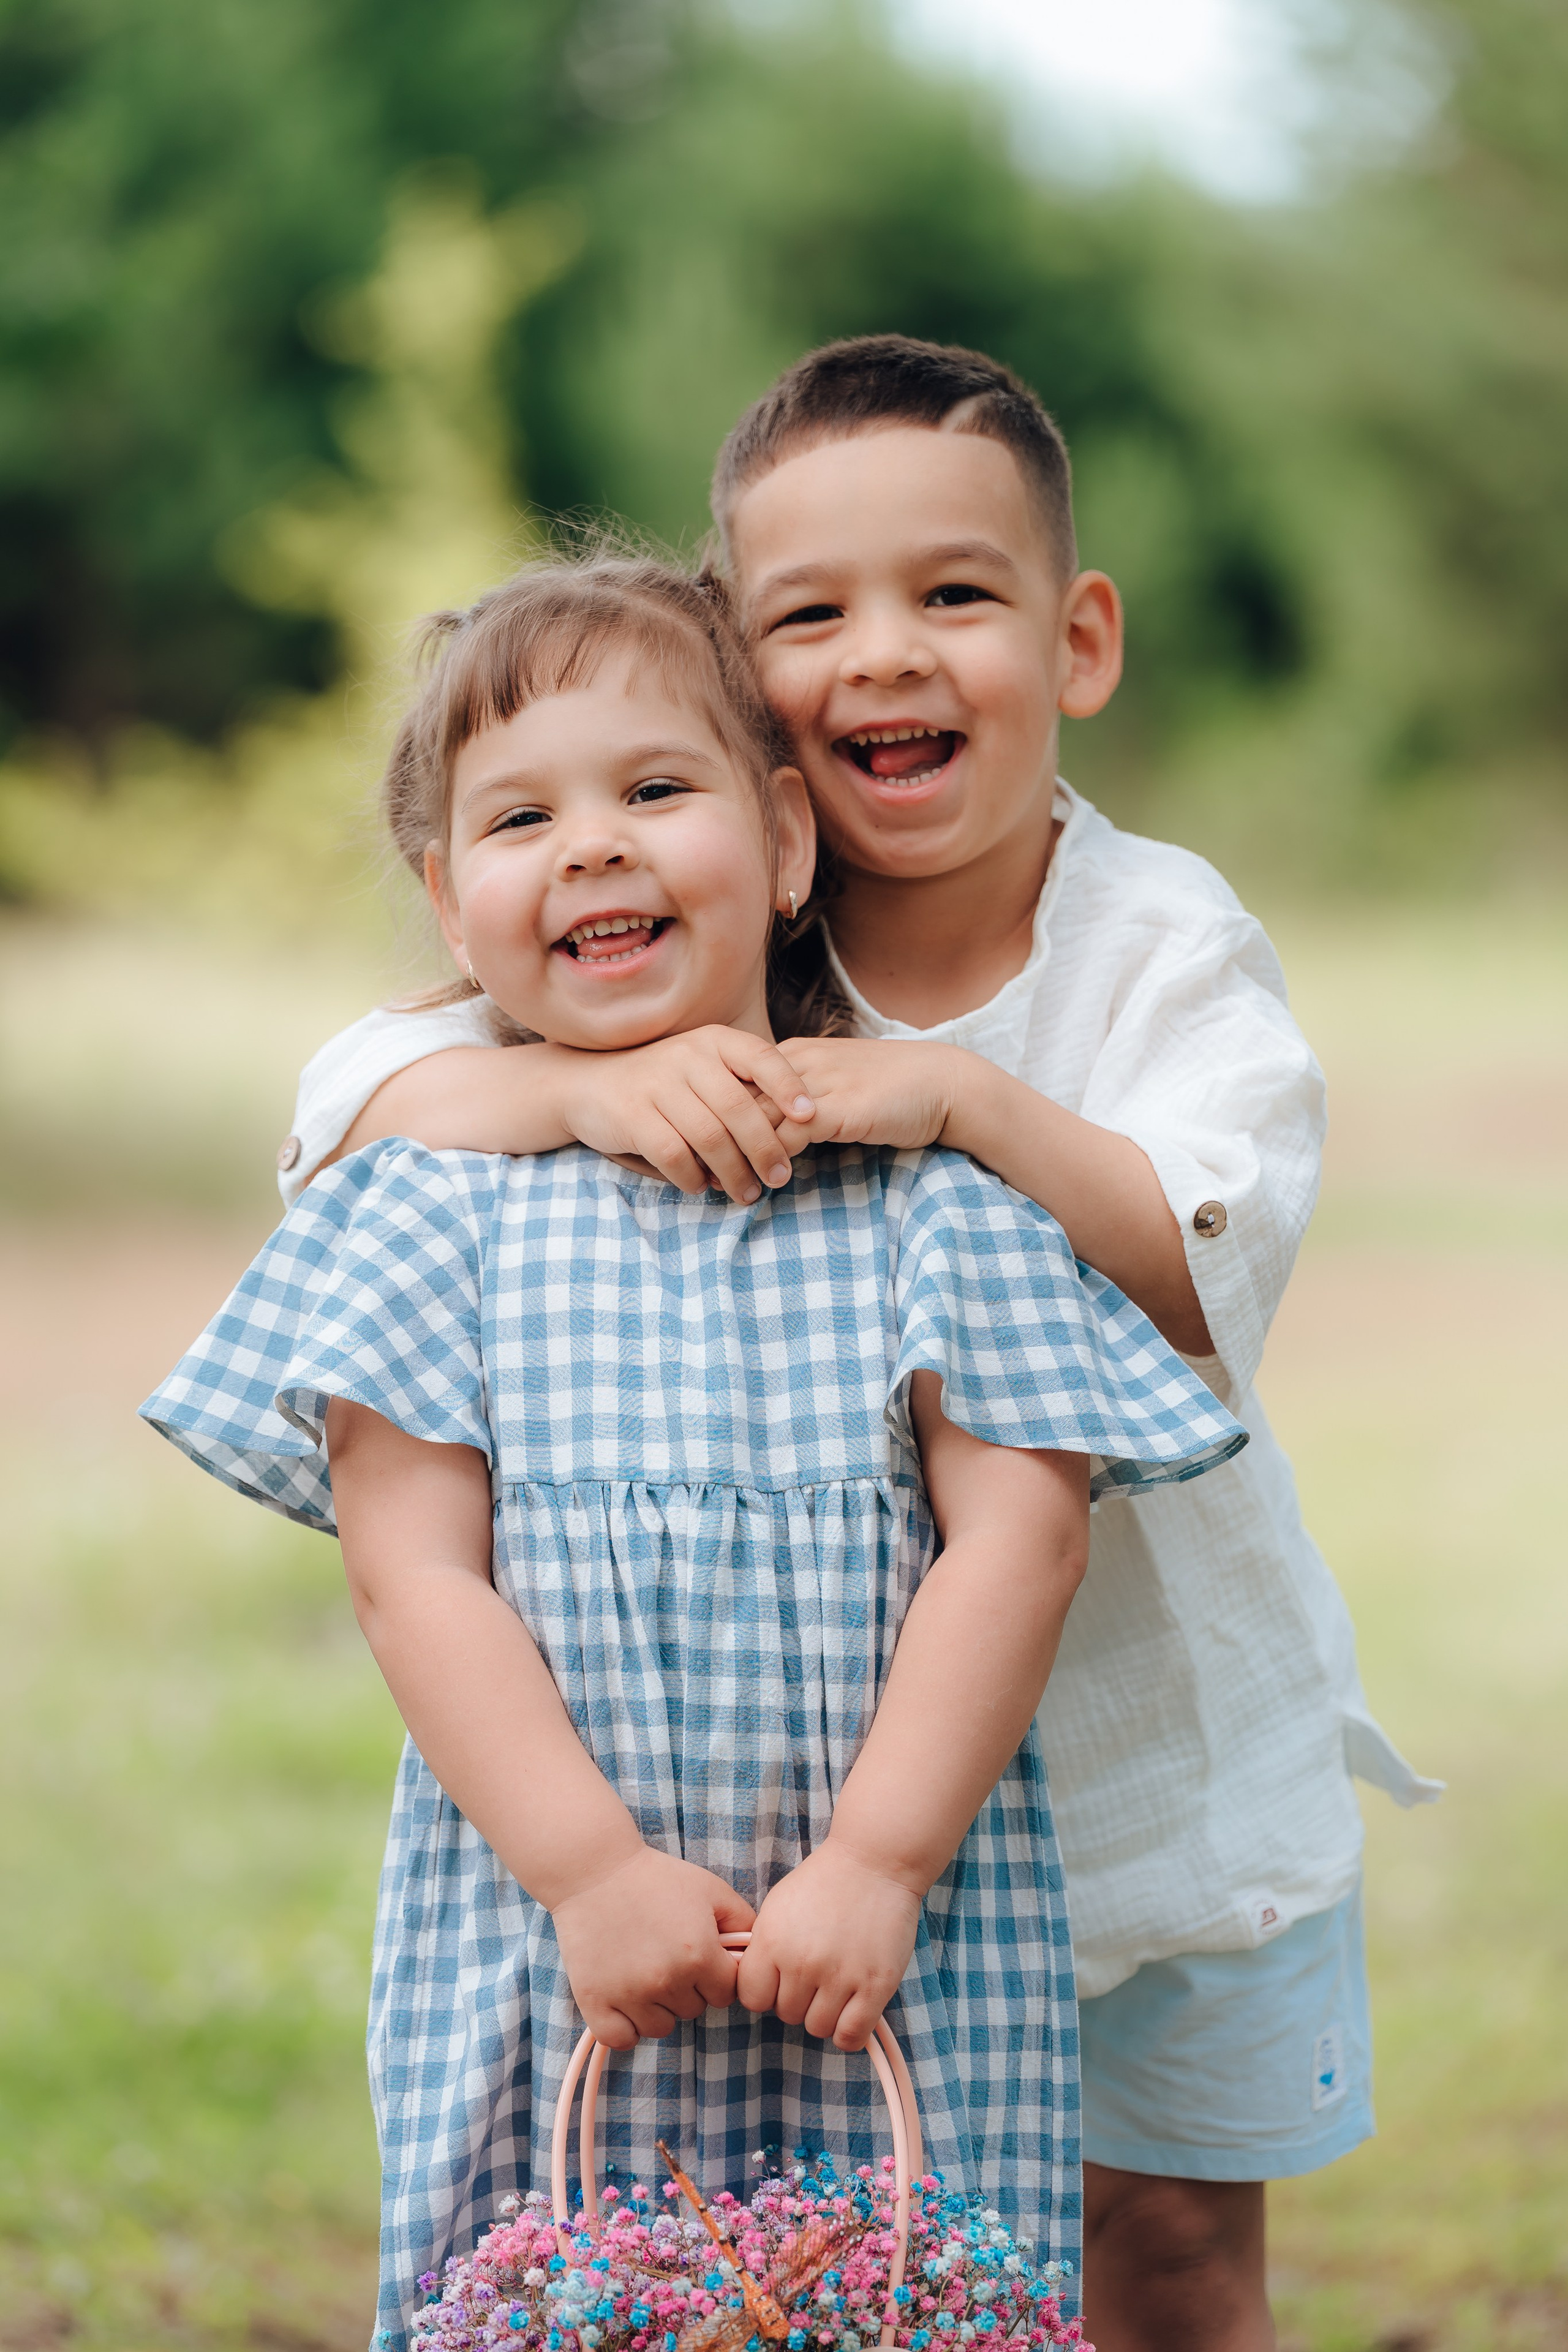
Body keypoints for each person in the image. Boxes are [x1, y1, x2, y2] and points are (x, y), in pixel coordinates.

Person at [277, 340, 1441, 2352]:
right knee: (873, 2259)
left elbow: (1195, 1260)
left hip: (1149, 1739)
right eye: (812, 614)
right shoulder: (703, 910)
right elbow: (361, 1098)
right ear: (745, 690)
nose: (885, 653)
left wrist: (963, 1105)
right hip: (812, 1787)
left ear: (1078, 641)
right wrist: (572, 1098)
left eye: (956, 596)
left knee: (1162, 2251)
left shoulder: (1156, 942)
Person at [141, 554, 1246, 2351]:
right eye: (521, 817)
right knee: (548, 2296)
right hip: (548, 1932)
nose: (592, 845)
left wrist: (882, 1861)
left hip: (903, 1927)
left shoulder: (927, 1200)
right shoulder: (424, 1214)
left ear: (792, 842)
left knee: (917, 2295)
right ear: (449, 901)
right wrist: (587, 1870)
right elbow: (410, 1572)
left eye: (656, 791)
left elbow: (1018, 1544)